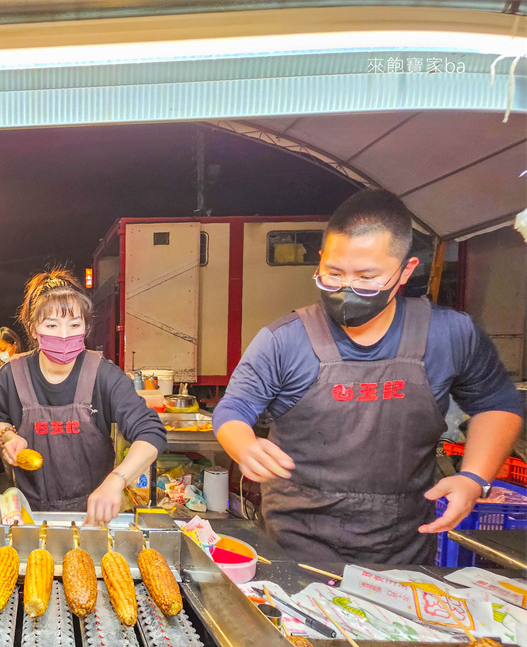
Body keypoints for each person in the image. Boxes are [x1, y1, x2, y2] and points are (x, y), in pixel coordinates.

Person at [214, 190, 523, 564]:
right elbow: (234, 408)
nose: (346, 290)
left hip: (404, 542)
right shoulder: (284, 339)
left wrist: (474, 478)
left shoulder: (451, 335)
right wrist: (243, 445)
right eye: (332, 274)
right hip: (298, 539)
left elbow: (496, 403)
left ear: (405, 271)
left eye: (366, 278)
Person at [0, 269, 167, 524]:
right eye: (51, 324)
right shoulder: (9, 377)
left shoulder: (103, 375)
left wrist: (117, 480)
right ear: (33, 327)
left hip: (95, 513)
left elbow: (151, 432)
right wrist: (7, 436)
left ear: (86, 326)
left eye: (74, 324)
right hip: (30, 514)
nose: (63, 335)